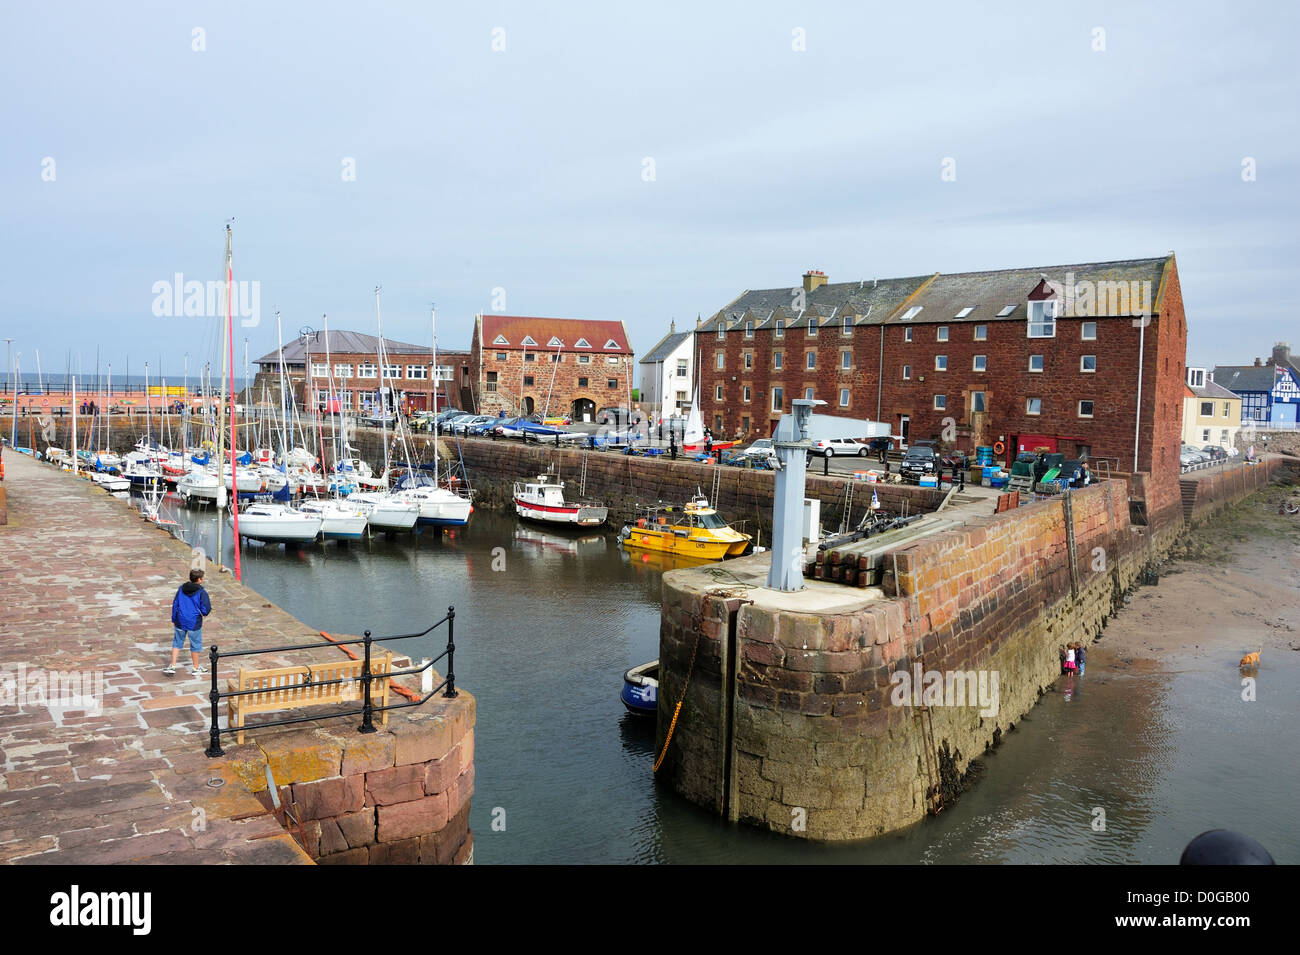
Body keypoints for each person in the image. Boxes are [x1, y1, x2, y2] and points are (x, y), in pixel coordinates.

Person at [166, 568, 212, 676]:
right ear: (199, 579)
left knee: (177, 642)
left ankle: (172, 666)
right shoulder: (201, 592)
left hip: (180, 620)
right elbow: (206, 607)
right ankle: (195, 667)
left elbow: (175, 604)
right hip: (194, 622)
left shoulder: (181, 589)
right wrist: (203, 614)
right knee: (195, 644)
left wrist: (174, 618)